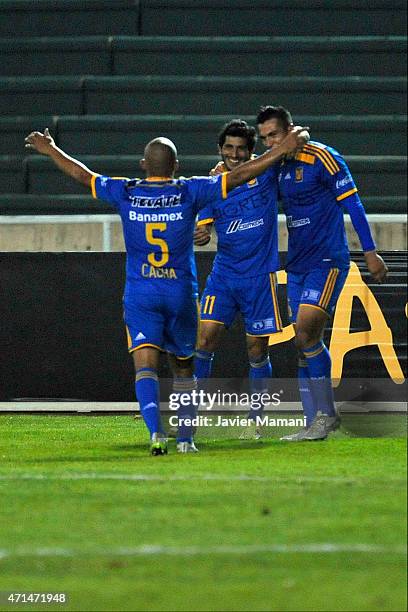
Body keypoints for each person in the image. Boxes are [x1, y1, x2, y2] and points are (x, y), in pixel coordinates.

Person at [24, 126, 308, 454]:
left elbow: (82, 175)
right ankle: (186, 438)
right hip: (179, 294)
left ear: (144, 164)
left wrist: (51, 150)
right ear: (175, 167)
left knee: (145, 366)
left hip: (142, 293)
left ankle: (156, 433)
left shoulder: (125, 191)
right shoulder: (190, 191)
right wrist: (281, 149)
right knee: (184, 367)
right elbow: (241, 175)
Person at [256, 105, 388, 441]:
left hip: (327, 260)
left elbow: (352, 203)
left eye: (274, 134)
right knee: (304, 344)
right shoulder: (277, 166)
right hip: (297, 263)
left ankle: (327, 415)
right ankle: (313, 421)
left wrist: (370, 252)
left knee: (306, 333)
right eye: (264, 138)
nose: (269, 142)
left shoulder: (323, 157)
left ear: (288, 130)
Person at [193, 119, 285, 439]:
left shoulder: (267, 173)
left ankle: (257, 417)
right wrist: (201, 231)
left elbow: (292, 142)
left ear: (250, 151)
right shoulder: (213, 184)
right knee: (204, 338)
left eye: (241, 149)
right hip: (224, 274)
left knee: (257, 351)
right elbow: (202, 226)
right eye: (229, 148)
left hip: (259, 277)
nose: (234, 154)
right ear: (220, 150)